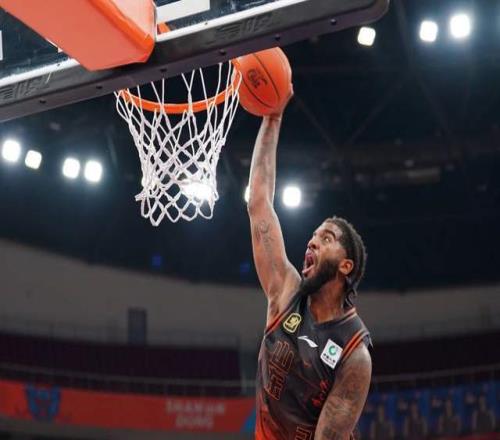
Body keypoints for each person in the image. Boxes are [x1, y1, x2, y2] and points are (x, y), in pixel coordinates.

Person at [247, 92, 372, 440]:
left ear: (346, 265)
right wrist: (272, 118)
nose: (312, 242)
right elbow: (258, 203)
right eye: (313, 236)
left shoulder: (354, 355)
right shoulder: (286, 291)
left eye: (326, 238)